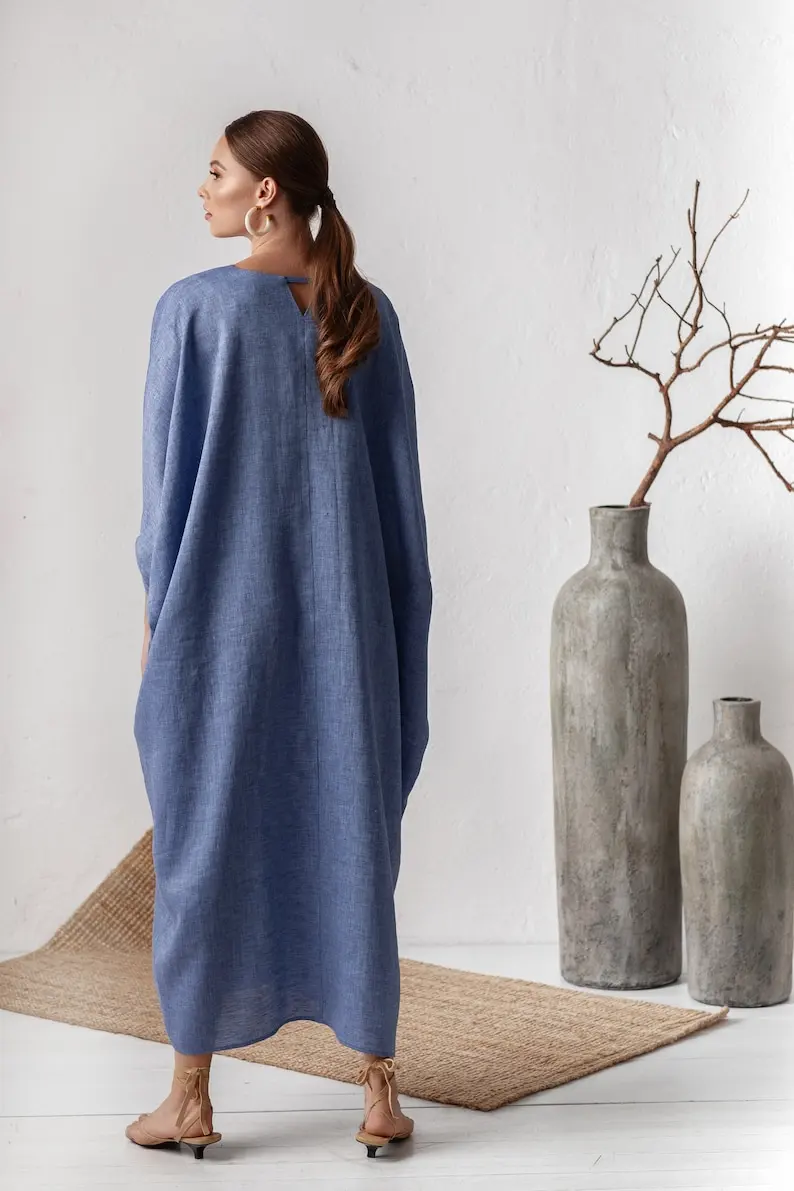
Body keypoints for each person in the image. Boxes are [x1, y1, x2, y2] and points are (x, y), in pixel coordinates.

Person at [124, 109, 432, 1160]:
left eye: (214, 171)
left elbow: (166, 503)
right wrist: (397, 642)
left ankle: (190, 1096)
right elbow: (401, 511)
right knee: (352, 835)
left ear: (264, 192)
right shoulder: (366, 312)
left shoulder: (192, 311)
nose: (200, 188)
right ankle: (379, 1094)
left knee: (202, 842)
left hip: (218, 631)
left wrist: (158, 621)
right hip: (350, 635)